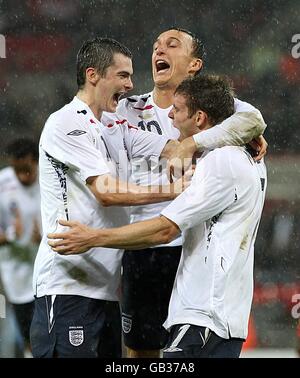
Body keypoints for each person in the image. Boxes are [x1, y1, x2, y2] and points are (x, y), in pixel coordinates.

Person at [48, 74, 267, 358]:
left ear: (199, 118)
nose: (171, 118)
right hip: (224, 318)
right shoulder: (249, 157)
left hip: (202, 318)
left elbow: (164, 230)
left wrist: (93, 237)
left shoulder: (220, 162)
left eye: (177, 111)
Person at [102, 27, 267, 358]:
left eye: (171, 45)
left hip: (193, 251)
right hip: (145, 246)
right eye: (155, 45)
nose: (159, 50)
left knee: (186, 349)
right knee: (141, 352)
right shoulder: (126, 110)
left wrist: (191, 144)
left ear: (194, 64)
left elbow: (254, 120)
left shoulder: (218, 109)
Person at [30, 37, 185, 359]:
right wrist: (175, 190)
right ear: (93, 75)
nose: (130, 85)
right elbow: (106, 192)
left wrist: (243, 135)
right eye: (123, 75)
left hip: (107, 289)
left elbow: (173, 147)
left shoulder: (115, 125)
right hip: (68, 284)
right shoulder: (66, 123)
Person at [0, 138, 41, 357]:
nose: (20, 176)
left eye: (25, 170)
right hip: (18, 274)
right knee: (30, 337)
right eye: (16, 170)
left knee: (53, 334)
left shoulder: (50, 177)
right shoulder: (2, 183)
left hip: (51, 269)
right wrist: (9, 235)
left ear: (35, 162)